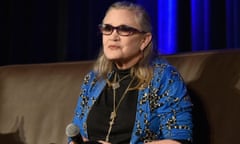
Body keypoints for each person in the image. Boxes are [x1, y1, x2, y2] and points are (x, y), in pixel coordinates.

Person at [69, 1, 193, 144]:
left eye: (124, 29)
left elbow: (179, 140)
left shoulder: (165, 78)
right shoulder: (93, 79)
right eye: (107, 28)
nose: (113, 36)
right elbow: (75, 134)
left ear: (144, 40)